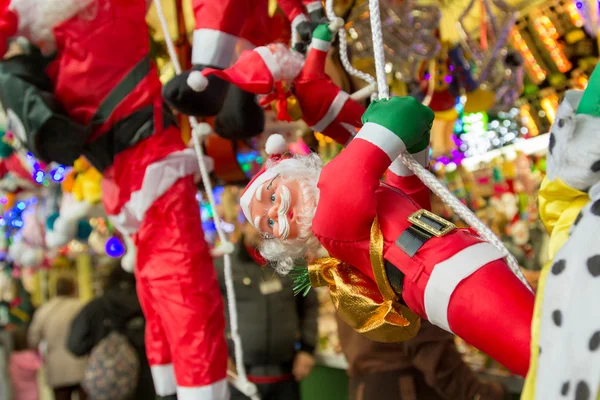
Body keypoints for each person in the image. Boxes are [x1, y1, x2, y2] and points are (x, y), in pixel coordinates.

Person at [239, 90, 535, 376]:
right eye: (268, 224)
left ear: (293, 175)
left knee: (547, 342)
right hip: (449, 278)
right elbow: (387, 130)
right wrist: (386, 123)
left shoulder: (351, 211)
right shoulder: (329, 220)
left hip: (456, 270)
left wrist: (412, 145)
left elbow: (409, 193)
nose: (275, 213)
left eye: (272, 197)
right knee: (542, 351)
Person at [213, 221, 318, 400]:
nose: (264, 231)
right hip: (240, 378)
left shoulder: (294, 262)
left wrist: (308, 349)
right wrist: (219, 355)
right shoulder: (223, 266)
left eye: (270, 223)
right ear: (244, 225)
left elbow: (309, 305)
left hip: (286, 375)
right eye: (257, 224)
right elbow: (209, 315)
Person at [337, 317, 508, 400]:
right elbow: (432, 351)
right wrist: (479, 393)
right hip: (403, 389)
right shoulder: (396, 255)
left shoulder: (349, 252)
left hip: (365, 388)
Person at [67, 263, 155, 400]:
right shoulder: (150, 304)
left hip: (106, 383)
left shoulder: (95, 308)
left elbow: (75, 345)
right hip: (146, 383)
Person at [28, 277, 88, 400]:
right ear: (73, 289)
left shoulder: (44, 310)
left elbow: (33, 339)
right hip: (82, 365)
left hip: (56, 368)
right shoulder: (81, 307)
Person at [9, 327, 41, 400]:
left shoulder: (13, 358)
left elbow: (11, 376)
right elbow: (39, 364)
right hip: (34, 394)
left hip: (19, 394)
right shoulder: (32, 356)